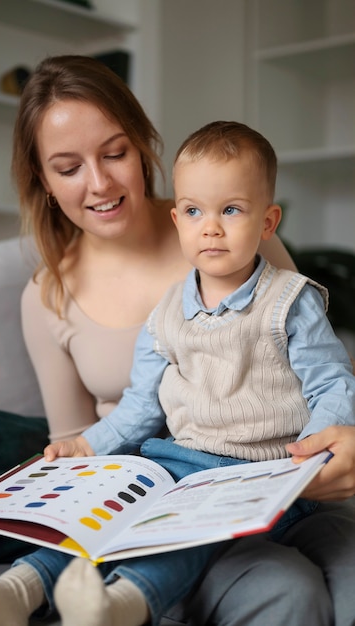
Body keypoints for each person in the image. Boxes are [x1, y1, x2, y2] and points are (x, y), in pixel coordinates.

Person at [0, 55, 354, 626]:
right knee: (280, 583)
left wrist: (334, 444)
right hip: (144, 481)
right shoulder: (51, 296)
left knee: (294, 586)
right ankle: (14, 593)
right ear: (42, 177)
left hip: (257, 476)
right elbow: (97, 436)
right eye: (68, 166)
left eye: (115, 153)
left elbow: (320, 375)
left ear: (142, 147)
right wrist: (80, 456)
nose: (101, 182)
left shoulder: (243, 251)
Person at [41, 119, 355, 626]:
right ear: (177, 218)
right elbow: (141, 404)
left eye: (231, 210)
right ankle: (34, 590)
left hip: (277, 473)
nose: (211, 227)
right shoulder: (163, 314)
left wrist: (321, 446)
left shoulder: (286, 298)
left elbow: (332, 380)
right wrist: (87, 444)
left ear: (268, 222)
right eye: (194, 211)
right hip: (184, 470)